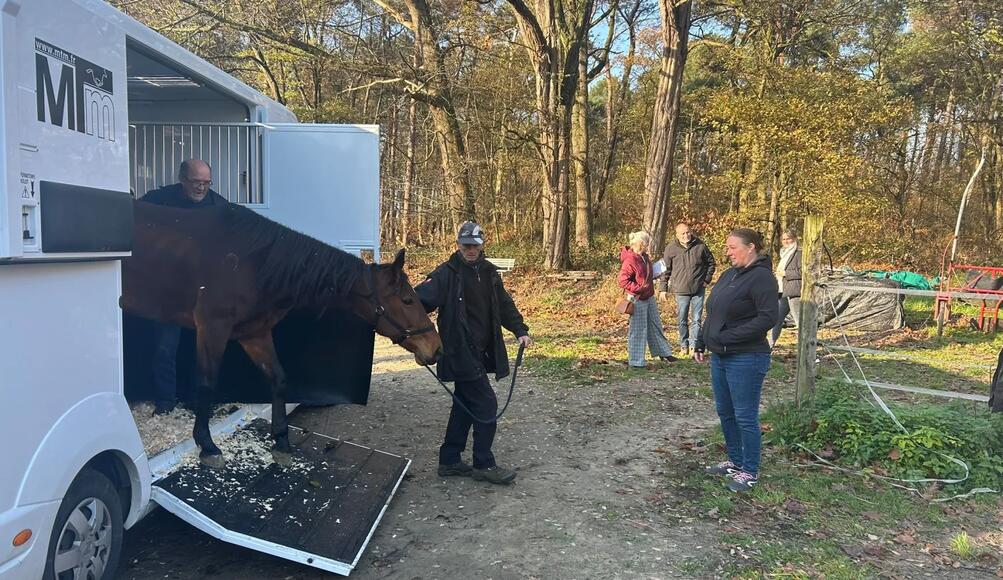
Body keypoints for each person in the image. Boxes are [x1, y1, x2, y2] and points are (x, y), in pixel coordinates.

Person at [415, 221, 532, 485]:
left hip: (483, 350)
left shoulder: (489, 272)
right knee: (485, 403)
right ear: (458, 245)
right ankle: (484, 464)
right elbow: (416, 302)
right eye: (465, 245)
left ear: (482, 246)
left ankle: (450, 460)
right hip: (459, 352)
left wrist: (520, 330)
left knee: (465, 405)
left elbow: (503, 304)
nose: (470, 250)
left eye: (474, 246)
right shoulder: (445, 274)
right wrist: (418, 337)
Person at [140, 159, 228, 415]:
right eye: (196, 182)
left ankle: (197, 400)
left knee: (202, 348)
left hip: (203, 291)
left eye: (206, 183)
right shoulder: (159, 198)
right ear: (182, 179)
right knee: (164, 347)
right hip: (168, 290)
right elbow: (135, 217)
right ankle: (165, 403)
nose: (202, 188)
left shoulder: (219, 206)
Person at [694, 228, 778, 492]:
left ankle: (750, 471)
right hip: (721, 355)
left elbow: (768, 318)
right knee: (725, 412)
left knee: (745, 416)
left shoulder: (762, 278)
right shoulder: (729, 275)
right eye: (727, 247)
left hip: (747, 356)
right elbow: (714, 311)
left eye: (732, 247)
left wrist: (729, 337)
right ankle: (735, 460)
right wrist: (702, 340)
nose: (727, 252)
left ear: (750, 247)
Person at [619, 231, 676, 368]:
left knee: (655, 324)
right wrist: (639, 288)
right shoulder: (630, 260)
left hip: (649, 296)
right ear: (639, 244)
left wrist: (654, 276)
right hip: (637, 298)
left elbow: (645, 276)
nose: (648, 246)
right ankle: (636, 361)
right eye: (646, 243)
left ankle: (663, 352)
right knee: (638, 329)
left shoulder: (644, 257)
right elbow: (622, 281)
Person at [658, 223, 716, 356]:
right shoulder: (671, 248)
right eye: (683, 234)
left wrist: (706, 280)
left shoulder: (700, 245)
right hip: (680, 289)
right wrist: (663, 288)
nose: (686, 236)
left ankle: (694, 346)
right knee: (682, 319)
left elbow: (711, 263)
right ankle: (683, 344)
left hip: (698, 288)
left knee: (697, 319)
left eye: (688, 232)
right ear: (677, 235)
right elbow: (665, 270)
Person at [771, 228, 802, 347]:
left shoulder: (799, 253)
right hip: (783, 291)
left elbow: (803, 271)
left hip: (794, 291)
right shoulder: (784, 253)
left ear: (794, 239)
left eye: (788, 238)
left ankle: (804, 347)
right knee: (777, 319)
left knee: (799, 320)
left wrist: (786, 273)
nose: (785, 241)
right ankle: (770, 344)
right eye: (783, 239)